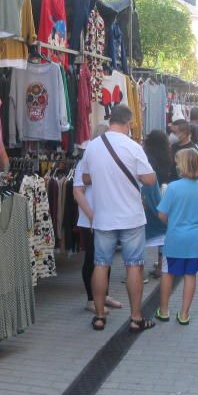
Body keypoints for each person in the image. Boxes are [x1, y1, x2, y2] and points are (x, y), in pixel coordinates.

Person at [80, 104, 159, 333]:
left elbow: (85, 178)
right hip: (131, 217)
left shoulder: (92, 146)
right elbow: (150, 180)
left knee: (100, 264)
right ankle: (136, 317)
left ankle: (99, 316)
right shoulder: (133, 147)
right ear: (128, 122)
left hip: (103, 216)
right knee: (134, 266)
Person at [155, 148, 198, 325]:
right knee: (190, 275)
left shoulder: (172, 188)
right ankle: (184, 314)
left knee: (168, 273)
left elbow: (162, 214)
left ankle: (164, 310)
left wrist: (173, 222)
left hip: (174, 238)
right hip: (194, 240)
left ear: (183, 165)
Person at [73, 125, 124, 314]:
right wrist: (92, 216)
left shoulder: (109, 161)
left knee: (106, 258)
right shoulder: (85, 162)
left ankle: (104, 295)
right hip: (91, 219)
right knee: (92, 259)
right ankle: (91, 299)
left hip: (108, 217)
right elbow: (77, 192)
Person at [143, 129, 175, 279]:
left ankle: (138, 268)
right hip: (166, 194)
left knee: (142, 233)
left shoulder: (146, 158)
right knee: (164, 231)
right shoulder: (168, 157)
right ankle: (162, 265)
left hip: (150, 197)